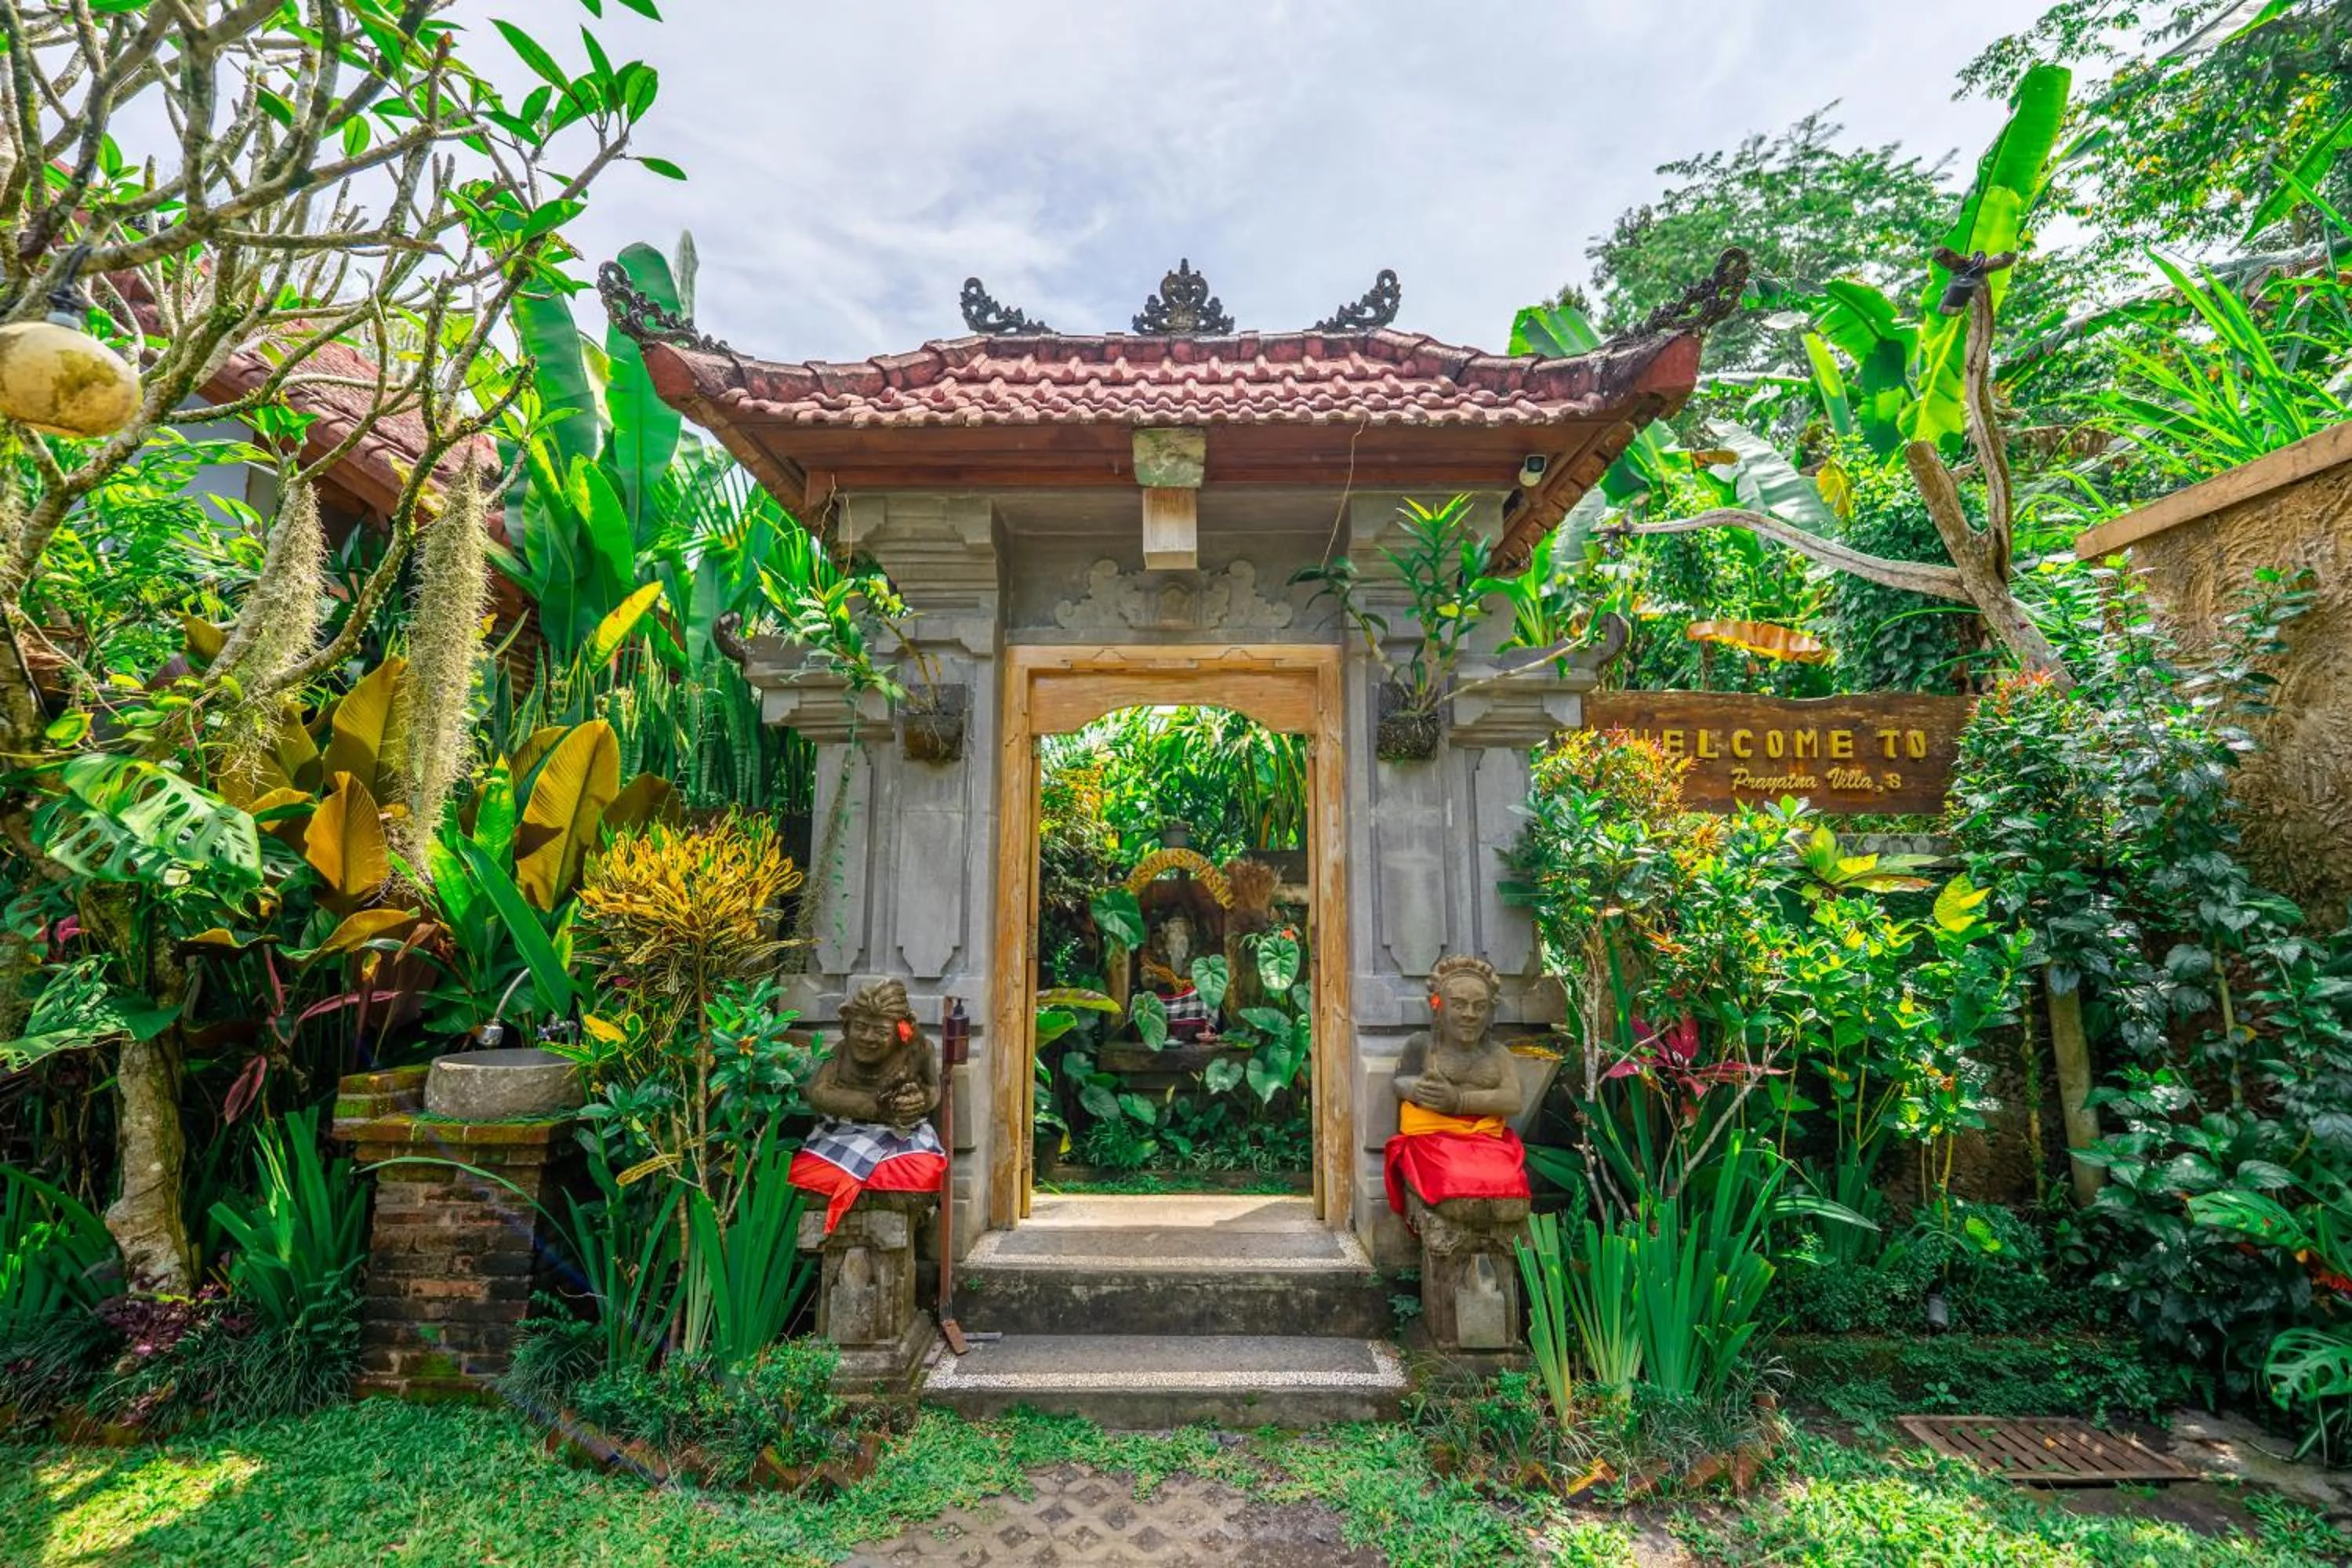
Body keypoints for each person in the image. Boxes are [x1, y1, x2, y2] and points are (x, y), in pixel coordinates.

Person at [788, 978, 946, 1232]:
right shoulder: (841, 1052)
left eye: (881, 1032)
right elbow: (818, 1092)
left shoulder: (919, 1049)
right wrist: (874, 1106)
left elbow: (933, 1090)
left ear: (902, 1031)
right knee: (809, 1179)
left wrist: (920, 1101)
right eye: (860, 1027)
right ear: (846, 1024)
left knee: (911, 1179)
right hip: (842, 1133)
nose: (867, 1038)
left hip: (902, 1135)